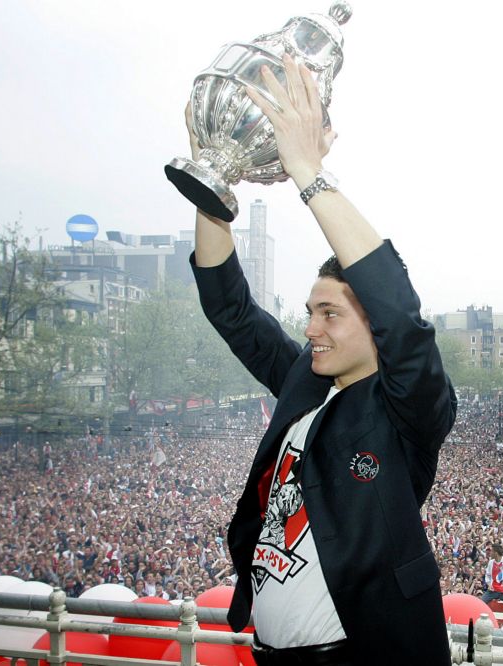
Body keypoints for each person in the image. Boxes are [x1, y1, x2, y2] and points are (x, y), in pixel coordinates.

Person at [187, 54, 457, 665]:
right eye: (309, 311)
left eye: (330, 313)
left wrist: (308, 171)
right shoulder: (302, 379)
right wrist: (212, 179)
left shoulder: (408, 411)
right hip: (268, 653)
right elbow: (229, 307)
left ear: (373, 327)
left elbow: (403, 317)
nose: (310, 328)